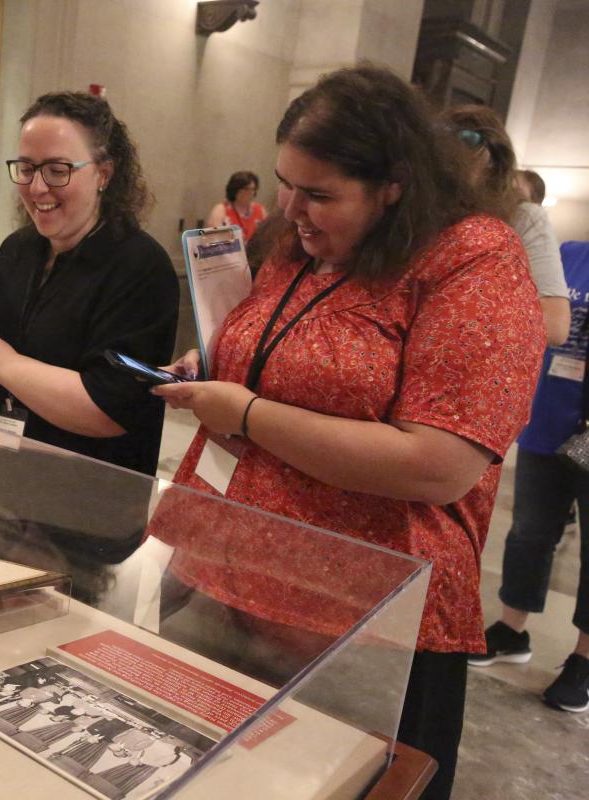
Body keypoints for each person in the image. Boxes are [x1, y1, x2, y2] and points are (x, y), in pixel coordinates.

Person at [150, 66, 545, 800]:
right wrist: (220, 364)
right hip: (224, 572)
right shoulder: (301, 242)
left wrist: (243, 413)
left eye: (319, 193)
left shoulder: (473, 260)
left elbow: (438, 465)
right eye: (285, 183)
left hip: (364, 618)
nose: (290, 208)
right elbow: (280, 352)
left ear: (394, 184)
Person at [0, 91, 179, 475]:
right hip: (1, 481)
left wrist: (4, 365)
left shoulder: (141, 266)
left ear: (103, 174)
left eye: (58, 170)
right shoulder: (18, 250)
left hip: (87, 499)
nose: (36, 188)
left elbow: (110, 410)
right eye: (26, 168)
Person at [470, 240, 589, 714]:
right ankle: (512, 629)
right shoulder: (566, 254)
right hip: (547, 423)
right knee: (528, 535)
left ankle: (583, 660)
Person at [442, 105, 569, 347]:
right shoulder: (415, 214)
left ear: (492, 164)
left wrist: (448, 316)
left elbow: (555, 325)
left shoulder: (522, 218)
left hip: (476, 366)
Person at [205, 171, 267, 241]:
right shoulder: (221, 209)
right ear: (235, 190)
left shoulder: (260, 210)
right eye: (246, 189)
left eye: (253, 189)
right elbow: (213, 239)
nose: (251, 193)